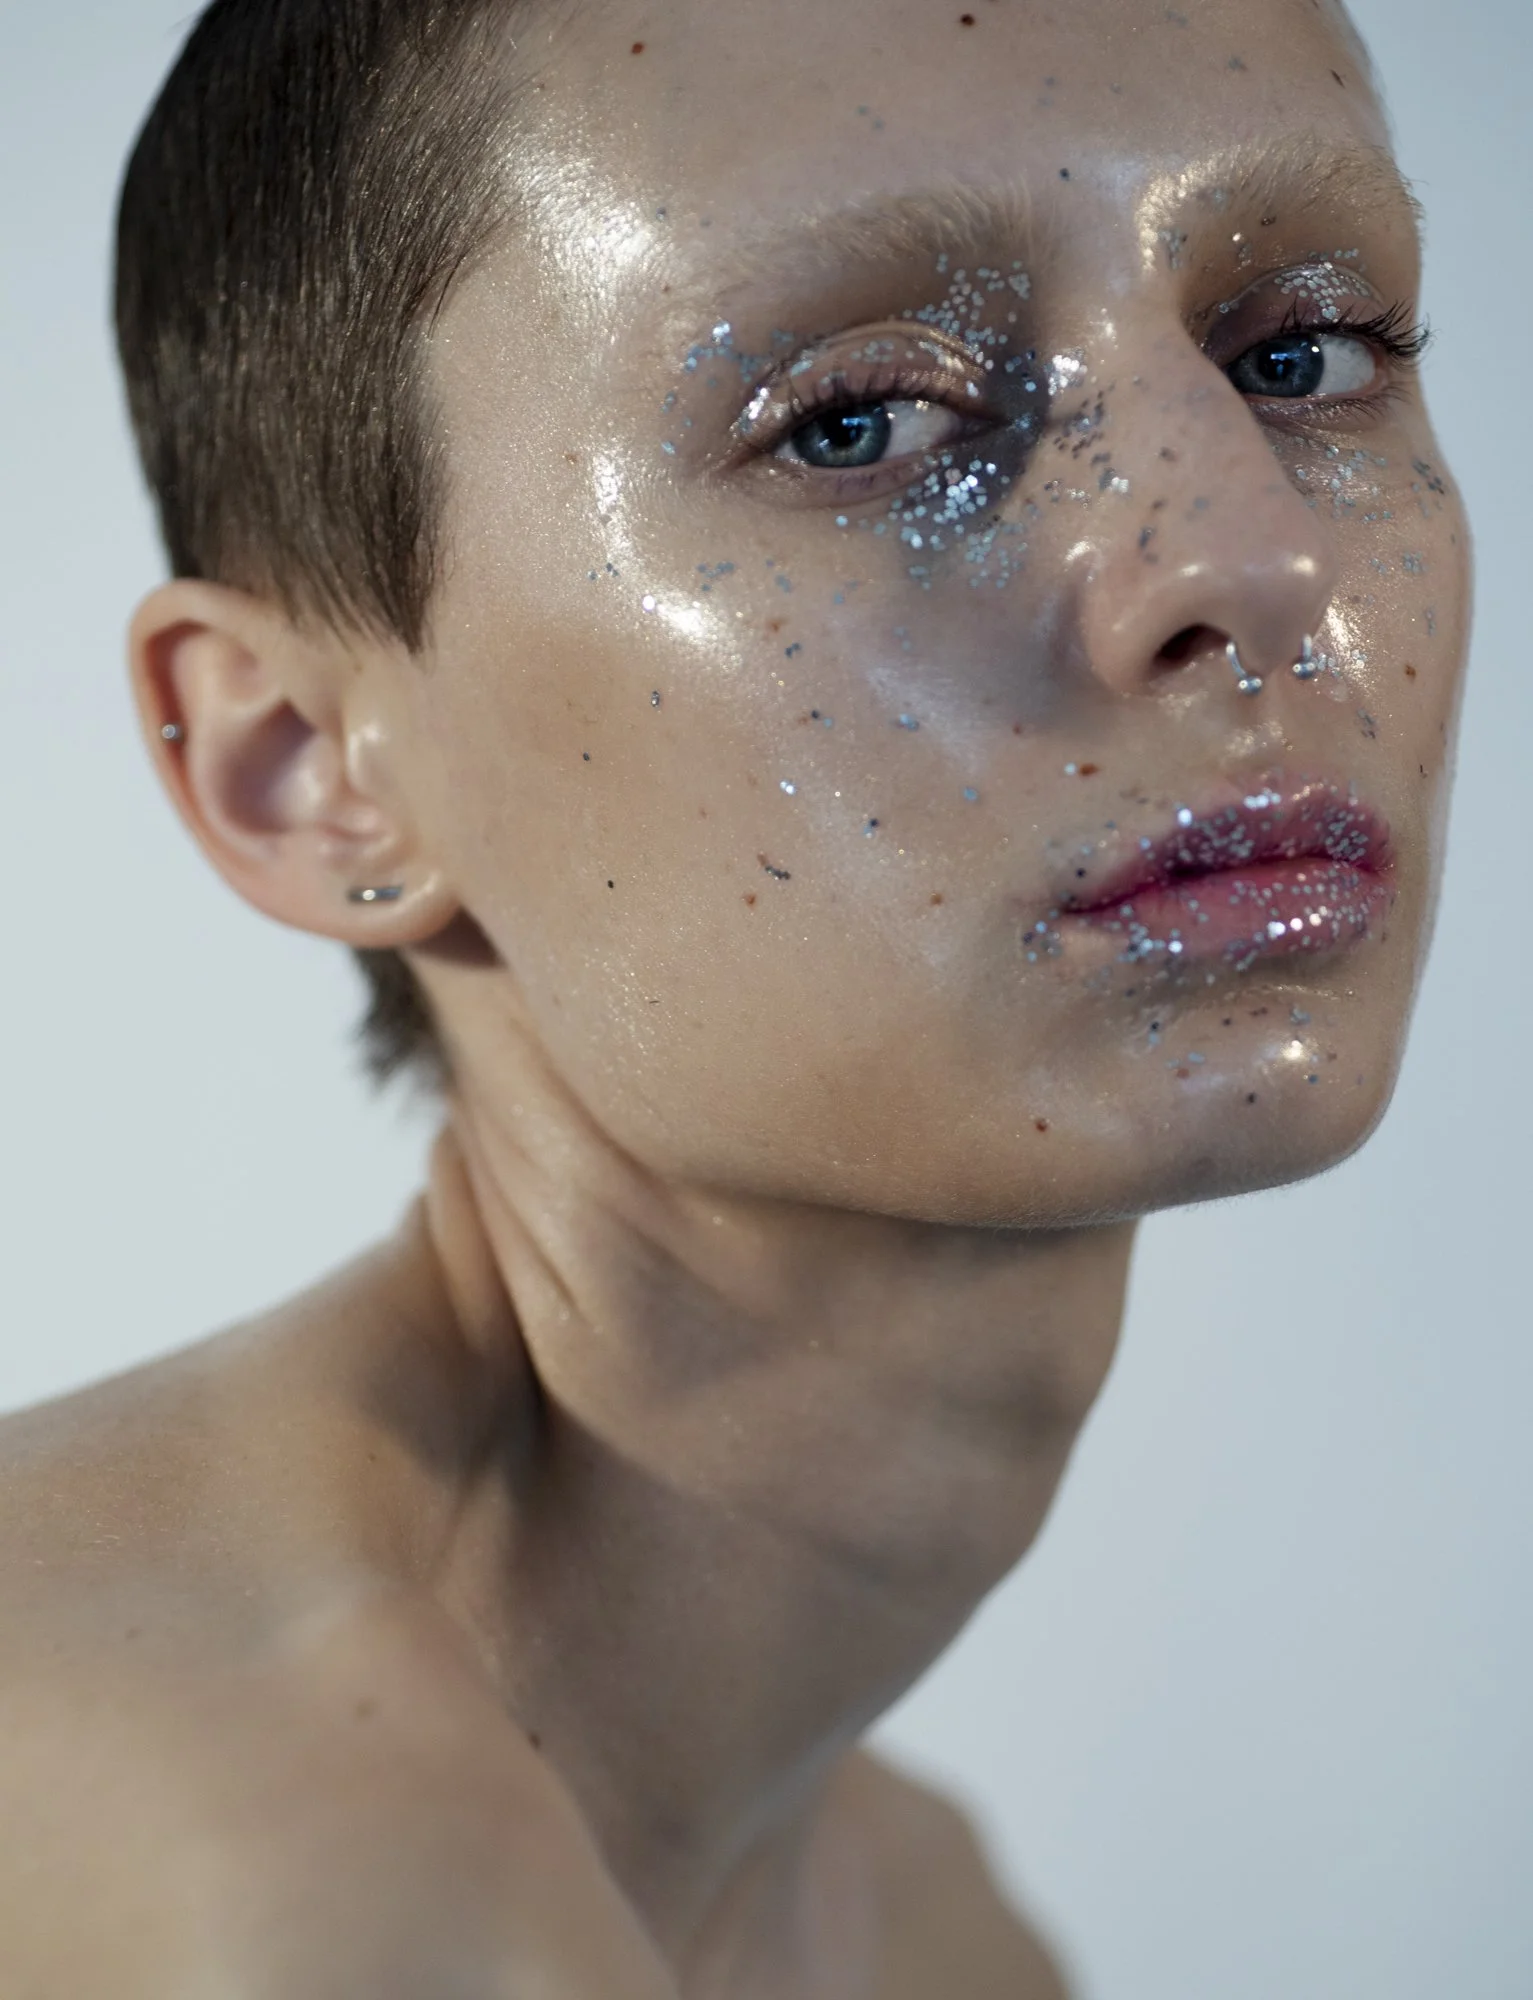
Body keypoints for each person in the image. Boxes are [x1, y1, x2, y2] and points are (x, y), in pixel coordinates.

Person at [0, 0, 1471, 1990]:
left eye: (1301, 354)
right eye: (861, 421)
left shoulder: (933, 1932)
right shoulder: (249, 1871)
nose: (1254, 558)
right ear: (306, 764)